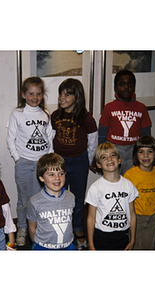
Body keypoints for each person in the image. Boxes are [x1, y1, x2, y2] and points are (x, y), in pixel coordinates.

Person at [50, 78, 98, 250]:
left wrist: (90, 161)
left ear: (77, 97)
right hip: (59, 163)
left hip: (79, 162)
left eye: (67, 94)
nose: (62, 98)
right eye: (61, 94)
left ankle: (78, 230)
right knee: (60, 198)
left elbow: (92, 142)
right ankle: (62, 230)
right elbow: (50, 138)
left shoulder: (86, 118)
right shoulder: (55, 115)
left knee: (78, 200)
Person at [6, 77, 53, 247]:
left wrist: (50, 156)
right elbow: (10, 139)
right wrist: (17, 158)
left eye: (38, 94)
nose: (35, 97)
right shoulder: (17, 114)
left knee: (40, 197)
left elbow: (50, 137)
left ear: (42, 95)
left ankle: (39, 226)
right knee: (24, 200)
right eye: (31, 94)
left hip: (42, 163)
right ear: (23, 95)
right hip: (24, 163)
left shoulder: (45, 114)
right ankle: (22, 228)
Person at [96, 69, 152, 175]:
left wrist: (145, 153)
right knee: (112, 179)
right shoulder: (109, 107)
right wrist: (100, 154)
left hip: (134, 150)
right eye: (122, 84)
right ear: (115, 87)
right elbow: (102, 134)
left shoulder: (142, 108)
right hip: (113, 150)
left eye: (129, 84)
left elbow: (146, 135)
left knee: (131, 179)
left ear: (134, 87)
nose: (126, 87)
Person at [85, 142, 138, 250]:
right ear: (98, 164)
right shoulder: (95, 188)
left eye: (113, 155)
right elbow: (91, 218)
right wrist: (90, 244)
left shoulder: (128, 185)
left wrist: (132, 239)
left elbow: (132, 214)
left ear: (119, 160)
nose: (109, 158)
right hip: (102, 236)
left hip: (123, 235)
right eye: (104, 157)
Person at [26, 153, 76, 250]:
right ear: (41, 178)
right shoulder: (35, 201)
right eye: (51, 174)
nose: (57, 178)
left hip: (68, 246)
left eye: (61, 173)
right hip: (43, 248)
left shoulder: (71, 197)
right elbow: (32, 228)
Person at [124, 135, 155, 250]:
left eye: (150, 151)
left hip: (153, 217)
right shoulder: (130, 175)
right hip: (136, 219)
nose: (146, 155)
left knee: (149, 246)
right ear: (136, 155)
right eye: (141, 152)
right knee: (135, 246)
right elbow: (126, 202)